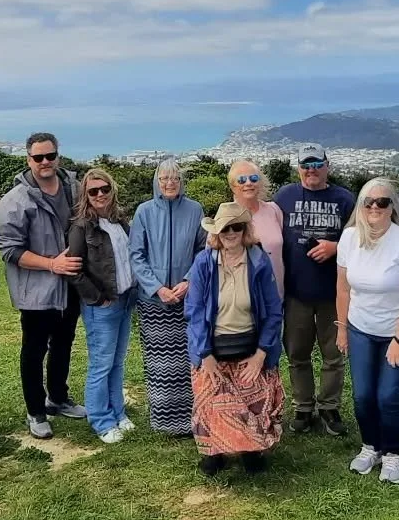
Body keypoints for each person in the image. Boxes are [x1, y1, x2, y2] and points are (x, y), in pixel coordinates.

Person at [336, 178, 399, 485]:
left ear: (392, 207)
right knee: (362, 396)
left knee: (388, 395)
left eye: (382, 202)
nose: (375, 207)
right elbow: (343, 288)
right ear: (360, 206)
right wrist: (342, 328)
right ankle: (370, 446)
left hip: (398, 329)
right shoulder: (349, 238)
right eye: (368, 202)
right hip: (361, 326)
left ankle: (392, 454)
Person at [0, 132, 86, 441]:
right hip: (37, 290)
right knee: (33, 350)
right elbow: (9, 249)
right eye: (38, 157)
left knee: (63, 343)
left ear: (58, 156)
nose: (45, 162)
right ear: (28, 160)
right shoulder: (15, 201)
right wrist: (51, 264)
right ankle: (36, 411)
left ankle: (58, 398)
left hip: (71, 284)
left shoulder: (75, 188)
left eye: (50, 156)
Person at [186, 202, 284, 477]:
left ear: (245, 230)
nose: (231, 233)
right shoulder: (204, 263)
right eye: (225, 228)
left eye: (236, 227)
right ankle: (214, 451)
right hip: (213, 346)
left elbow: (273, 310)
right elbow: (194, 311)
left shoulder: (258, 260)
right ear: (217, 232)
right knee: (212, 398)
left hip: (250, 345)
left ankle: (251, 449)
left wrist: (262, 353)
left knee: (253, 398)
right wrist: (205, 354)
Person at [273, 144, 356, 436]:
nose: (312, 170)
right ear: (298, 168)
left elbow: (360, 239)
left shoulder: (345, 199)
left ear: (327, 166)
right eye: (306, 165)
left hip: (334, 293)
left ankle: (329, 407)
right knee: (297, 352)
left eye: (317, 164)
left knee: (334, 354)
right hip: (295, 291)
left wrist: (336, 247)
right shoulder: (284, 196)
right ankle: (303, 406)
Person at [129, 157, 207, 435]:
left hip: (188, 299)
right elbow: (136, 255)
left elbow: (203, 251)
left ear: (181, 181)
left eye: (175, 178)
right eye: (164, 178)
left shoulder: (195, 210)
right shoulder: (144, 212)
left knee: (190, 359)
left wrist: (188, 281)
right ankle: (163, 421)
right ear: (157, 182)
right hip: (154, 301)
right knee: (160, 364)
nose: (170, 183)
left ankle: (193, 418)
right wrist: (157, 287)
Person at [66, 168, 138, 444]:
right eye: (93, 191)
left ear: (112, 190)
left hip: (125, 299)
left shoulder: (119, 221)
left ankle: (118, 412)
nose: (99, 195)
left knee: (117, 362)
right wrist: (97, 298)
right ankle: (101, 419)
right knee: (101, 364)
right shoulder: (82, 226)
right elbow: (75, 269)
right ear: (85, 194)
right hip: (102, 305)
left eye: (104, 189)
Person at [228, 159, 284, 296]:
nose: (248, 183)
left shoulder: (273, 210)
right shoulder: (226, 216)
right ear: (233, 186)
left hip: (275, 299)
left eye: (253, 178)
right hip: (240, 302)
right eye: (241, 180)